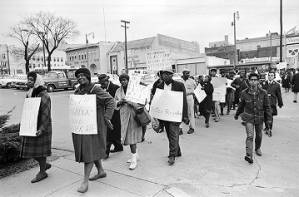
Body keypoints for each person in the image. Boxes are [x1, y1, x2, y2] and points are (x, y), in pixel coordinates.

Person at [72, 68, 115, 193]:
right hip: (82, 126)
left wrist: (107, 117)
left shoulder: (95, 89)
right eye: (78, 76)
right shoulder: (78, 90)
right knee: (92, 149)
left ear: (88, 77)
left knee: (88, 152)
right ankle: (101, 171)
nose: (80, 77)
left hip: (95, 125)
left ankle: (85, 182)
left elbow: (110, 101)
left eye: (82, 75)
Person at [20, 71, 52, 183]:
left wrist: (42, 129)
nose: (28, 81)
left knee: (39, 151)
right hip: (30, 125)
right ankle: (44, 164)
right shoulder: (30, 92)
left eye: (31, 80)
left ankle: (42, 172)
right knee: (29, 150)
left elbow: (46, 114)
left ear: (36, 81)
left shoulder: (43, 94)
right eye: (28, 79)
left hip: (41, 126)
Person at [153, 69, 189, 165]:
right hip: (165, 115)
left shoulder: (179, 85)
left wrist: (185, 115)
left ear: (171, 75)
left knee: (173, 134)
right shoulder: (159, 86)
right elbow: (158, 100)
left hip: (175, 115)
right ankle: (177, 151)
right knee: (170, 135)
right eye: (164, 75)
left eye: (167, 74)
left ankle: (172, 155)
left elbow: (184, 101)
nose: (165, 76)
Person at [234, 73, 272, 164]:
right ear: (249, 81)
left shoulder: (263, 93)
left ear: (258, 81)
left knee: (259, 135)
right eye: (252, 80)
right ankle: (249, 155)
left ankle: (257, 148)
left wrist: (268, 121)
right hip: (249, 118)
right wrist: (237, 114)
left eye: (255, 80)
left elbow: (267, 107)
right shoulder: (244, 93)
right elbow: (241, 105)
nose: (253, 81)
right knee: (250, 136)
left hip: (259, 118)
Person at [115, 73, 143, 170]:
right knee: (130, 137)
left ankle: (134, 159)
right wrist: (120, 102)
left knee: (132, 138)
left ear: (128, 80)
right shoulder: (118, 91)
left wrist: (131, 102)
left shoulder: (134, 90)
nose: (123, 82)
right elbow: (115, 103)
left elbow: (141, 101)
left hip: (134, 116)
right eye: (121, 80)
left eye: (125, 80)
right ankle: (136, 155)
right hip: (124, 116)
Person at [98, 74, 123, 158]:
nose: (102, 85)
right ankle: (118, 146)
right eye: (101, 83)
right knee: (110, 131)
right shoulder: (101, 88)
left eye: (103, 83)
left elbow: (118, 99)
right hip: (106, 112)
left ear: (107, 81)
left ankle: (106, 152)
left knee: (111, 132)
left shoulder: (115, 87)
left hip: (115, 112)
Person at [261, 71, 283, 137]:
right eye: (269, 75)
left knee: (270, 116)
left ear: (274, 77)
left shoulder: (277, 85)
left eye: (272, 75)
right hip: (264, 102)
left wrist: (280, 103)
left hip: (272, 102)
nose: (270, 76)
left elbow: (279, 95)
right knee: (265, 116)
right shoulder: (263, 83)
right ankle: (267, 126)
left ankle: (269, 128)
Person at [180, 69, 197, 134]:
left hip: (189, 97)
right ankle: (180, 128)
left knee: (190, 113)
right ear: (183, 73)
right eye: (186, 73)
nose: (188, 75)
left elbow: (196, 88)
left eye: (188, 73)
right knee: (182, 113)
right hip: (182, 98)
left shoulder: (192, 81)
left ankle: (192, 128)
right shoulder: (180, 81)